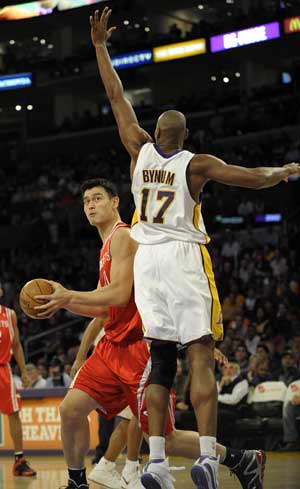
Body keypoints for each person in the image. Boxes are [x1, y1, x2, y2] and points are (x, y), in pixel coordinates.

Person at [85, 7, 300, 489]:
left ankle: (157, 462)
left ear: (155, 132)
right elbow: (251, 178)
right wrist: (285, 172)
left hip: (147, 263)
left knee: (160, 361)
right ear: (184, 137)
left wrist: (100, 46)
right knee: (200, 354)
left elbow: (116, 96)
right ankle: (206, 456)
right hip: (182, 258)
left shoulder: (136, 148)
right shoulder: (197, 163)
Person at [35, 179, 266, 489]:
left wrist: (68, 296)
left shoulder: (123, 238)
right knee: (70, 410)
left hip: (138, 350)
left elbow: (117, 295)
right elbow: (105, 310)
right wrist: (64, 304)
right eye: (86, 200)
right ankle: (78, 482)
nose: (90, 204)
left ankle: (241, 459)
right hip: (110, 349)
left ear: (115, 202)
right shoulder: (105, 247)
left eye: (97, 198)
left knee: (166, 440)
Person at [0, 286, 36, 476]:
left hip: (3, 369)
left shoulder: (9, 315)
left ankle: (19, 460)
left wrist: (23, 371)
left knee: (14, 413)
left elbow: (16, 345)